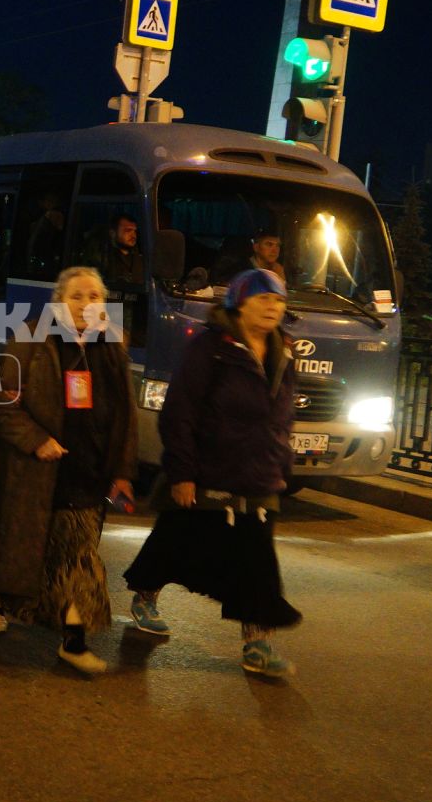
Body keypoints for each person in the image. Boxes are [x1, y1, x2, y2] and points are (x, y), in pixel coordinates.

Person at [0, 266, 136, 674]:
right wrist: (36, 440)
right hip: (35, 472)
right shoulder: (32, 340)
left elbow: (125, 417)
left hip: (87, 475)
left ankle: (73, 640)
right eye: (77, 297)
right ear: (58, 302)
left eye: (95, 297)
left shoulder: (111, 345)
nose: (88, 305)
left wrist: (122, 471)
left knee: (77, 559)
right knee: (30, 552)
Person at [123, 268, 303, 678]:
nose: (273, 307)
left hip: (259, 473)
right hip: (209, 468)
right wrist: (182, 472)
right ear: (239, 303)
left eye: (278, 300)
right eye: (264, 299)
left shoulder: (284, 351)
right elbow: (181, 411)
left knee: (257, 561)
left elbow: (283, 415)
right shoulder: (212, 348)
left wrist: (282, 463)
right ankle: (145, 594)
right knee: (177, 540)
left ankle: (257, 644)